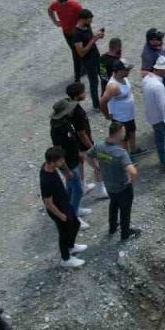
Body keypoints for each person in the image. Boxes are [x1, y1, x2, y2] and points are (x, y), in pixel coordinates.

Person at [88, 121, 142, 240]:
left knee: (113, 204)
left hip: (109, 185)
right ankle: (125, 233)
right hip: (123, 187)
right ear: (118, 133)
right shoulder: (120, 153)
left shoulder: (99, 146)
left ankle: (112, 227)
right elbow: (133, 171)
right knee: (125, 211)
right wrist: (131, 181)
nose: (125, 134)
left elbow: (88, 155)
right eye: (123, 132)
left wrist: (96, 167)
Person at [51, 83, 92, 226]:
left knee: (70, 189)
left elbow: (73, 139)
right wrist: (66, 169)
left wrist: (78, 153)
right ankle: (73, 217)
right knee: (78, 189)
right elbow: (58, 152)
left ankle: (73, 209)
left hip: (74, 158)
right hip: (68, 163)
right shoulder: (58, 129)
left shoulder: (65, 122)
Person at [40, 146, 87, 267]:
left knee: (75, 224)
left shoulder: (49, 165)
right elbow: (48, 203)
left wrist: (67, 171)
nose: (62, 162)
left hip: (64, 203)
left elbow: (62, 163)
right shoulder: (46, 180)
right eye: (60, 161)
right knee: (64, 233)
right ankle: (65, 259)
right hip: (58, 210)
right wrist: (61, 215)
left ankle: (71, 247)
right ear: (52, 162)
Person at [100, 60, 140, 154]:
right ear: (119, 71)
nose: (128, 71)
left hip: (129, 115)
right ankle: (126, 160)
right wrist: (107, 115)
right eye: (126, 70)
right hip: (120, 117)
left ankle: (133, 149)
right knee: (123, 139)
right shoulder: (113, 87)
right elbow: (102, 102)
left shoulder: (123, 77)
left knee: (132, 130)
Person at [47, 0, 84, 81]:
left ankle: (78, 76)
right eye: (60, 1)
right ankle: (83, 68)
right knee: (76, 51)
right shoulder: (55, 5)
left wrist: (79, 29)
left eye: (64, 0)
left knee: (76, 53)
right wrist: (55, 21)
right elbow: (50, 10)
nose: (63, 2)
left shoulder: (75, 5)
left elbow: (84, 17)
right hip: (67, 33)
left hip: (76, 33)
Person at [71, 9, 105, 109]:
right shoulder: (76, 34)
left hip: (97, 56)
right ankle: (96, 105)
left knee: (104, 76)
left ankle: (105, 98)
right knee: (94, 82)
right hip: (88, 61)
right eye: (89, 20)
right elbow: (81, 52)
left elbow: (90, 38)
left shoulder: (87, 26)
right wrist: (94, 39)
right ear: (83, 19)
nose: (91, 22)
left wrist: (97, 35)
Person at [140, 28, 165, 95]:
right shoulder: (148, 55)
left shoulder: (157, 45)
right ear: (152, 40)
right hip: (161, 80)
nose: (162, 40)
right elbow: (145, 73)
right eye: (159, 39)